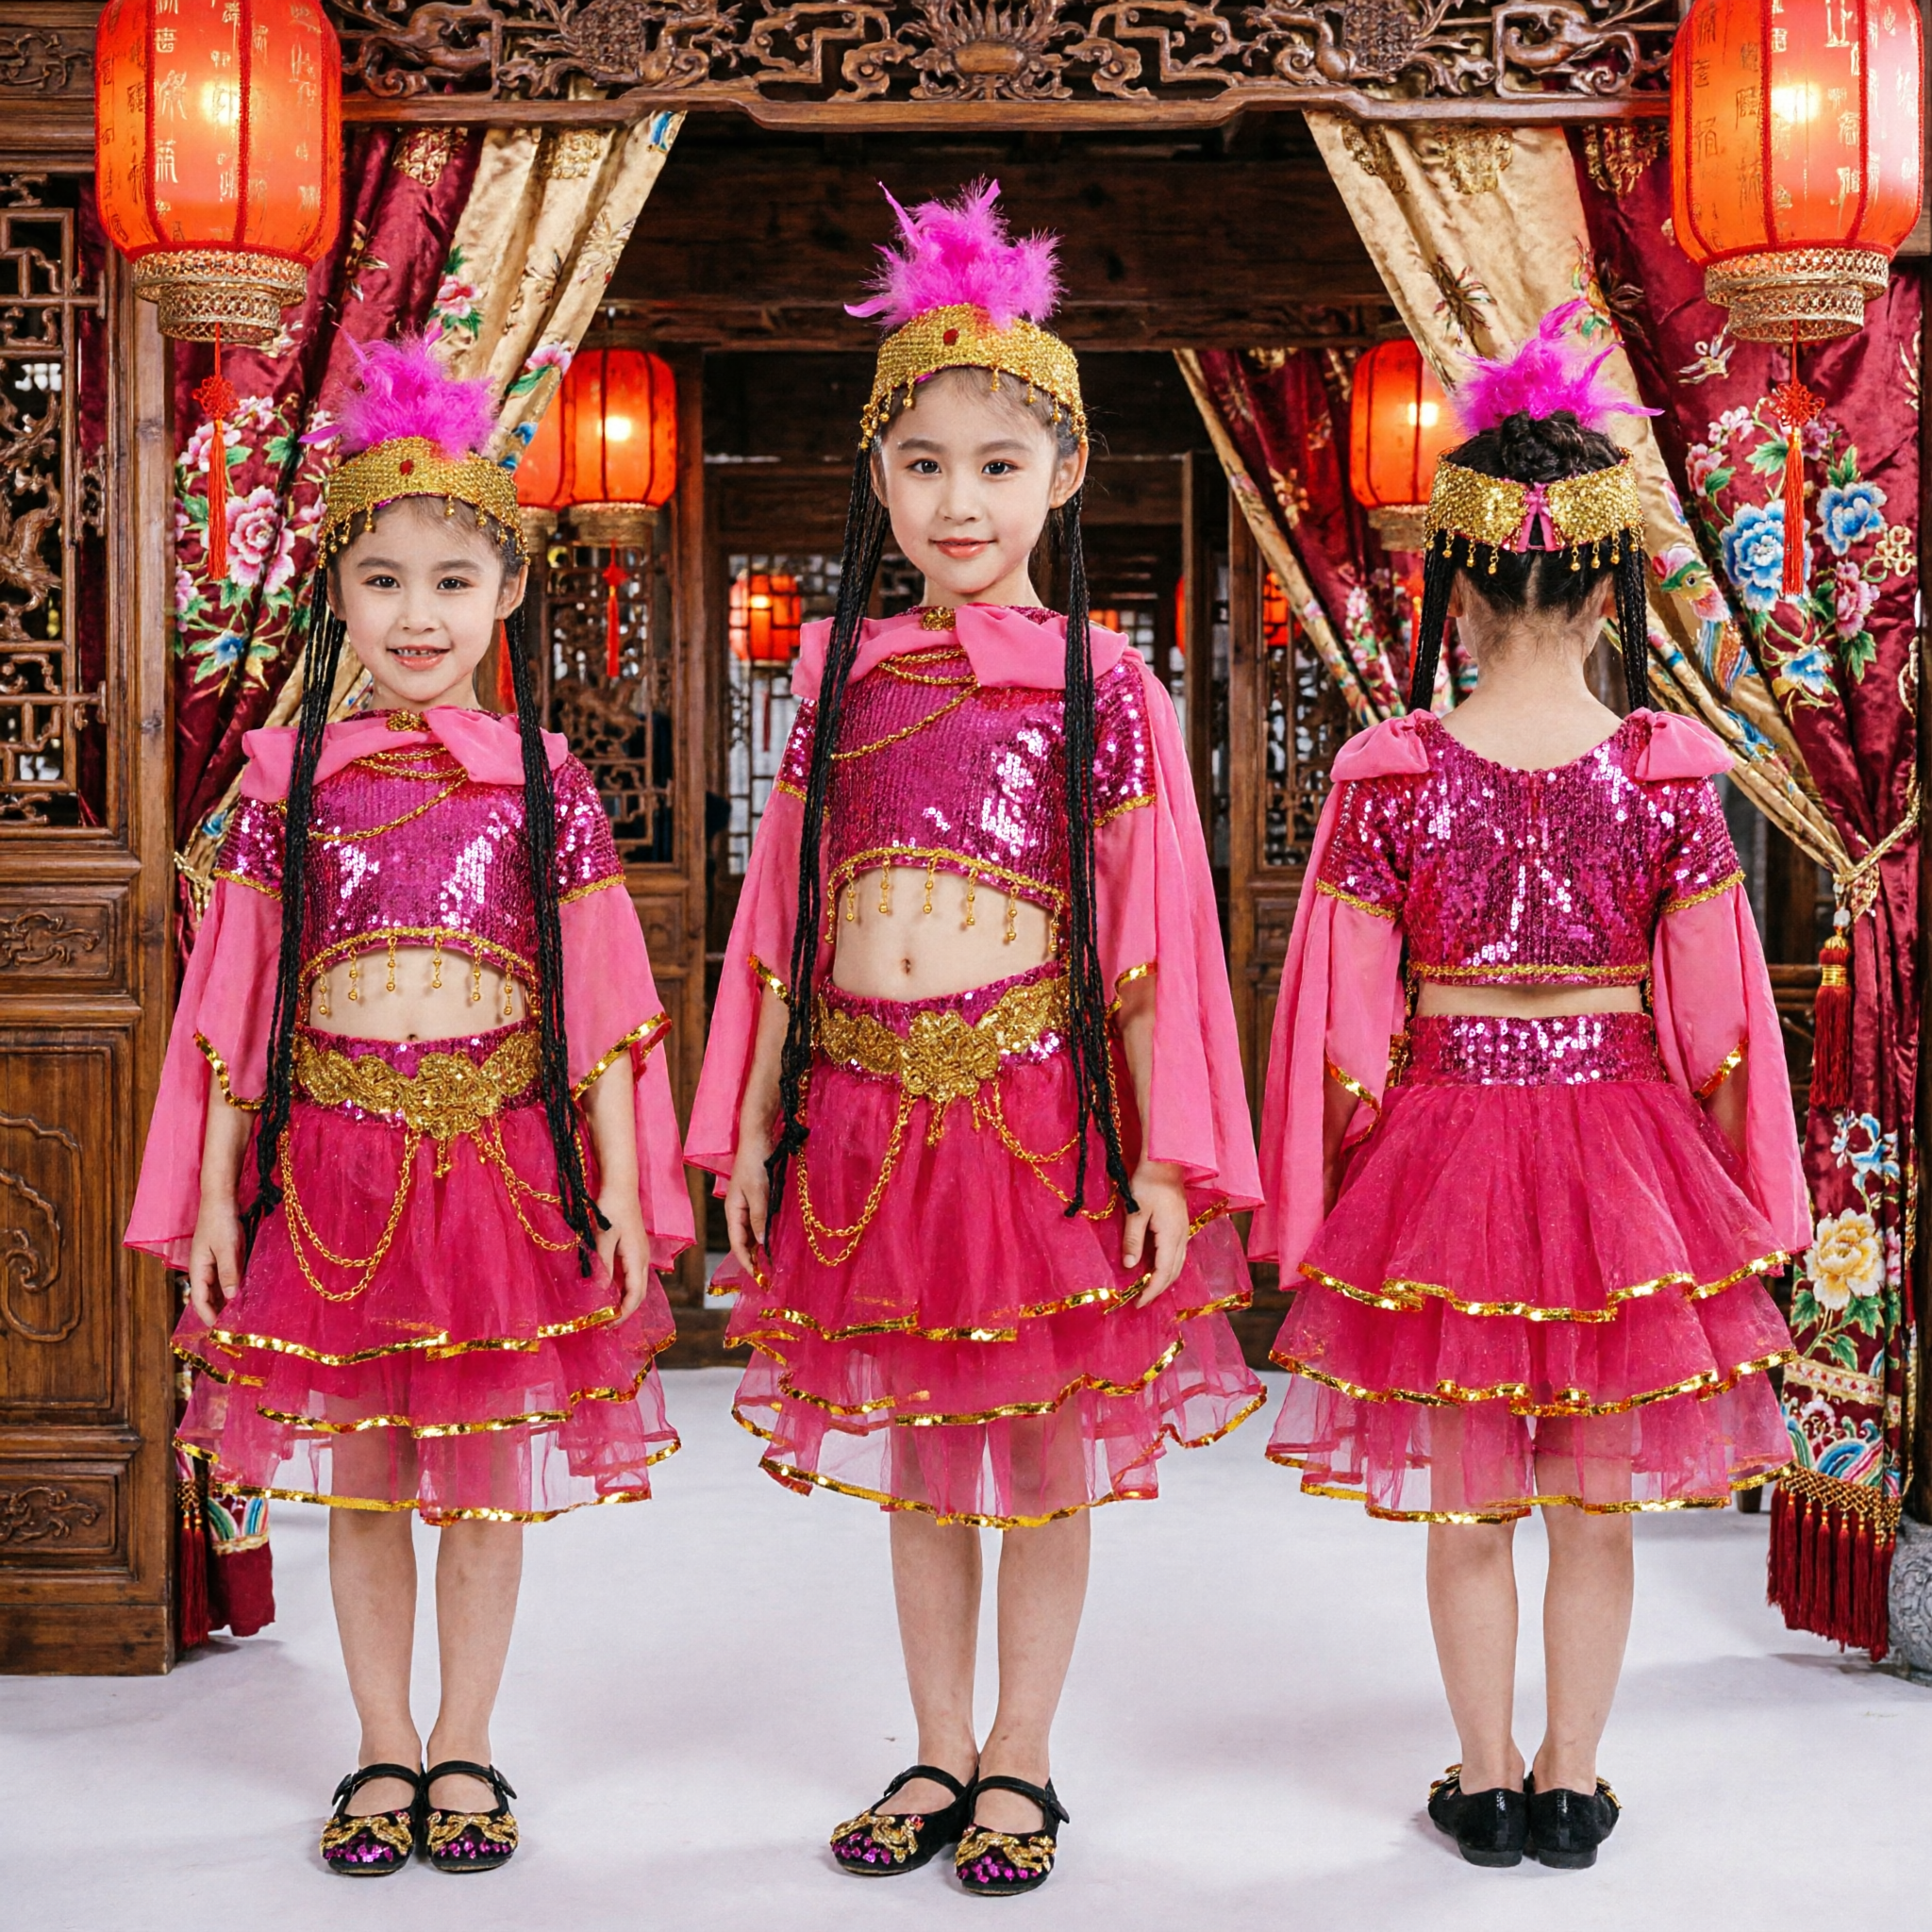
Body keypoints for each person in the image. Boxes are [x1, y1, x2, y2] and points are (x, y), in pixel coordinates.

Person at [686, 182, 1262, 1896]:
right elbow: (781, 923)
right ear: (878, 478)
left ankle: (1021, 1756)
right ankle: (934, 1747)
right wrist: (750, 1119)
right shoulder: (841, 682)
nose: (959, 501)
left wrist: (1165, 1154)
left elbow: (1150, 944)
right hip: (870, 1124)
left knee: (1042, 1447)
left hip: (1039, 1117)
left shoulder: (1106, 684)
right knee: (928, 1458)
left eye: (998, 466)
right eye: (925, 464)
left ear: (1063, 477)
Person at [1252, 304, 1807, 1872]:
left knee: (1471, 1501)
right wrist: (1734, 1182)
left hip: (1448, 1142)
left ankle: (1484, 1780)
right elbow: (1721, 1025)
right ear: (1614, 586)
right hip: (1627, 1146)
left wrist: (1342, 1174)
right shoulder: (1666, 772)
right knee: (1596, 1501)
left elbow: (1344, 1029)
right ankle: (1573, 1782)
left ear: (1463, 582)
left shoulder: (1394, 772)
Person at [126, 339, 692, 1876]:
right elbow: (234, 1007)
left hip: (501, 1174)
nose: (418, 614)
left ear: (505, 594)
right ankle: (382, 1746)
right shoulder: (283, 781)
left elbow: (603, 1000)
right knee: (371, 1480)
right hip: (332, 1174)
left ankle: (467, 1744)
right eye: (384, 581)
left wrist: (622, 1189)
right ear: (339, 596)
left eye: (452, 581)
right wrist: (215, 1198)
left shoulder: (545, 782)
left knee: (484, 1484)